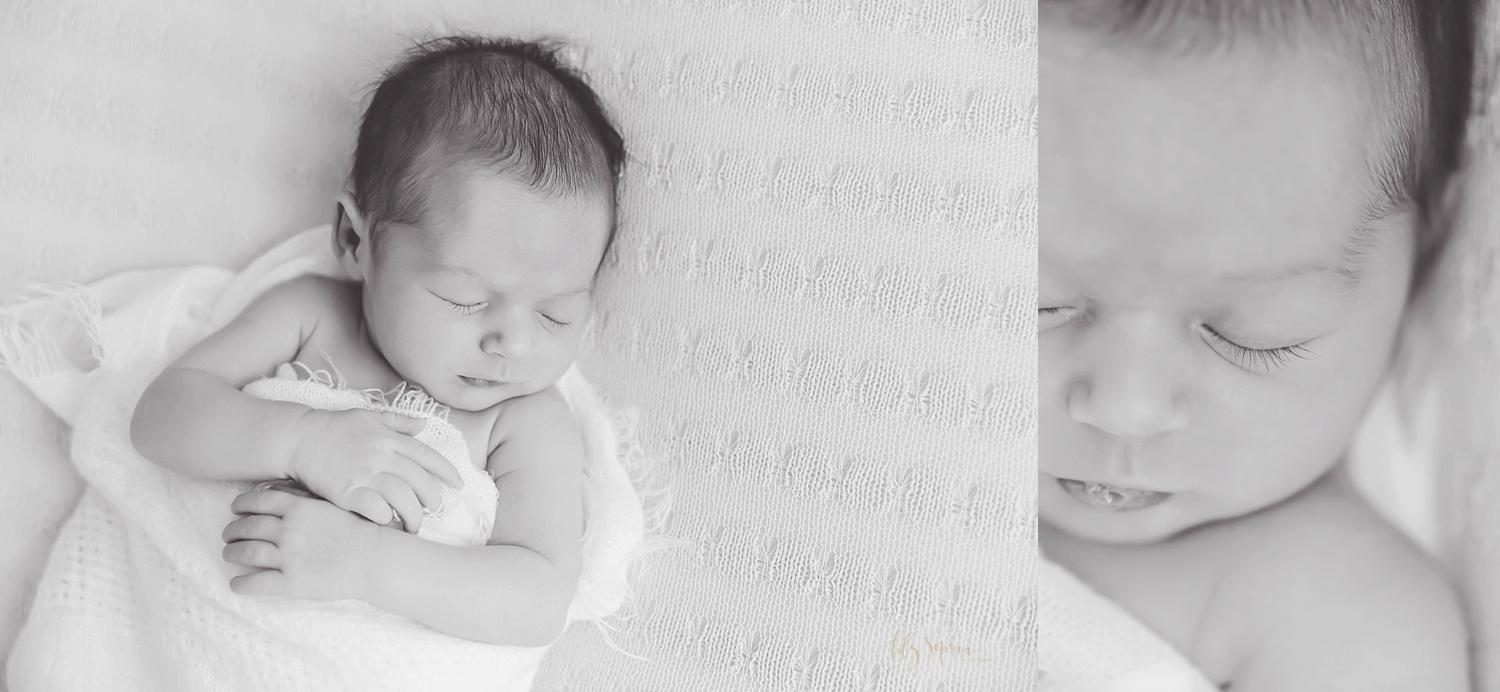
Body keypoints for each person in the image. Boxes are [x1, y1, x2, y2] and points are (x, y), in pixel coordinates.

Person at [1039, 0, 1474, 688]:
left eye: (1254, 337)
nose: (1127, 408)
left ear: (1428, 257)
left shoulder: (1334, 618)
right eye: (1031, 303)